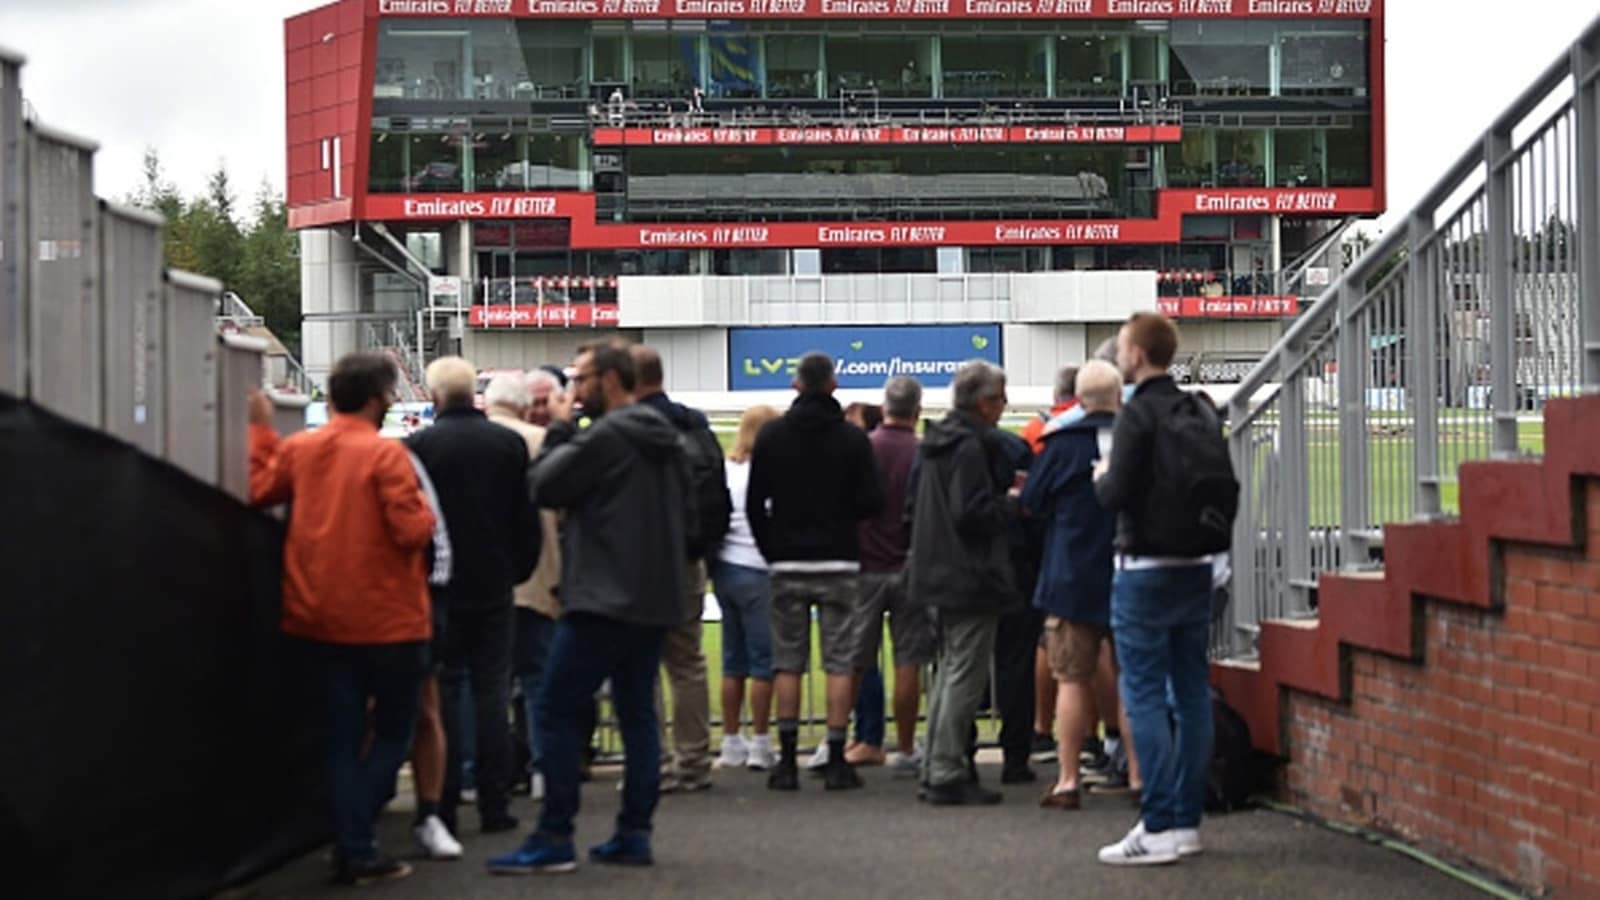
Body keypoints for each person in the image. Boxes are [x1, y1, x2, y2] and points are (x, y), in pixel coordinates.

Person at [488, 340, 691, 874]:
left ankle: (554, 834)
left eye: (581, 381)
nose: (573, 392)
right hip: (653, 594)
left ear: (610, 380)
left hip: (604, 596)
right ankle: (633, 832)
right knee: (638, 714)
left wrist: (559, 429)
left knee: (554, 708)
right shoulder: (665, 439)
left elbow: (545, 485)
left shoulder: (606, 436)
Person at [248, 353, 436, 886]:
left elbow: (261, 489)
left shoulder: (302, 449)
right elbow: (411, 532)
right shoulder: (386, 456)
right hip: (391, 621)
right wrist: (424, 513)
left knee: (341, 738)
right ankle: (356, 841)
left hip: (318, 616)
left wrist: (261, 433)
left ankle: (352, 842)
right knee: (394, 734)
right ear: (377, 399)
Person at [1094, 313, 1225, 866]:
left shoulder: (1137, 414)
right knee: (1191, 691)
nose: (1120, 355)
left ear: (1137, 354)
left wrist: (1100, 476)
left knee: (1144, 693)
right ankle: (1186, 820)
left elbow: (1115, 492)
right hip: (1195, 563)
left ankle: (1159, 821)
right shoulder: (1196, 407)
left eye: (1124, 346)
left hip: (1144, 567)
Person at [407, 357, 540, 839]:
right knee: (492, 693)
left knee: (445, 693)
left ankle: (443, 802)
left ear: (435, 396)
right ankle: (495, 801)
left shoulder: (418, 446)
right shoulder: (507, 444)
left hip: (440, 586)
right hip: (495, 582)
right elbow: (525, 518)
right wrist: (517, 569)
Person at [747, 352, 884, 792]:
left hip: (787, 558)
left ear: (795, 385)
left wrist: (772, 549)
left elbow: (755, 504)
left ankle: (786, 760)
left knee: (788, 661)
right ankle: (837, 755)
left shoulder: (771, 436)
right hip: (839, 558)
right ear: (833, 385)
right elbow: (871, 502)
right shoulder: (851, 439)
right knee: (840, 661)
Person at [1024, 360, 1142, 810]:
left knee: (1071, 679)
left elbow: (1032, 501)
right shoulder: (1139, 443)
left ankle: (1068, 780)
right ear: (1118, 396)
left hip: (1072, 575)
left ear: (1078, 398)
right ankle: (1137, 774)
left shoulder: (1060, 444)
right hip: (1130, 567)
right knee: (1133, 679)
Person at [908, 361, 1017, 807]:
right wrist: (1012, 504)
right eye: (999, 398)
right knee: (963, 676)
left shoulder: (937, 443)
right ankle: (947, 769)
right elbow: (970, 514)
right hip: (968, 574)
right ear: (982, 401)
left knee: (948, 673)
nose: (1004, 406)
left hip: (936, 568)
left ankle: (937, 764)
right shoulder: (971, 447)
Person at [631, 344, 730, 794]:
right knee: (687, 661)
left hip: (641, 560)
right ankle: (693, 761)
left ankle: (652, 762)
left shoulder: (629, 428)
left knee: (642, 664)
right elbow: (719, 500)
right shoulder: (696, 426)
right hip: (689, 558)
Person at [843, 377, 931, 777]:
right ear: (918, 409)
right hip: (910, 565)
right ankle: (908, 747)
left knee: (855, 659)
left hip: (866, 566)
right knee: (908, 661)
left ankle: (847, 738)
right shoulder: (922, 452)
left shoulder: (865, 447)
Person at [485, 371, 564, 802]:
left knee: (484, 686)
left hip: (478, 584)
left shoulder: (449, 440)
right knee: (540, 681)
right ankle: (543, 769)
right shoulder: (541, 442)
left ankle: (478, 772)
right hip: (538, 577)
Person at [714, 404, 783, 771]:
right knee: (763, 661)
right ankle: (760, 741)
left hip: (726, 567)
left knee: (732, 660)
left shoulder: (726, 469)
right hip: (758, 568)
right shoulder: (771, 473)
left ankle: (729, 739)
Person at [992, 428, 1043, 786]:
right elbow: (1034, 510)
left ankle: (955, 754)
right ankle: (1015, 756)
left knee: (960, 665)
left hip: (964, 571)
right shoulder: (1014, 448)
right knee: (1016, 666)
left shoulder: (940, 448)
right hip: (1015, 568)